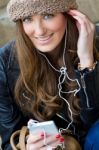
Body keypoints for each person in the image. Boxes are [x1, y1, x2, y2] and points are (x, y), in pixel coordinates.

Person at [0, 0, 99, 149]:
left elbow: (94, 121)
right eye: (28, 19)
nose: (39, 31)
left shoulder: (94, 41)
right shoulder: (5, 62)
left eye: (48, 15)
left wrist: (86, 61)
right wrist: (28, 146)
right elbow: (9, 141)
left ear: (69, 14)